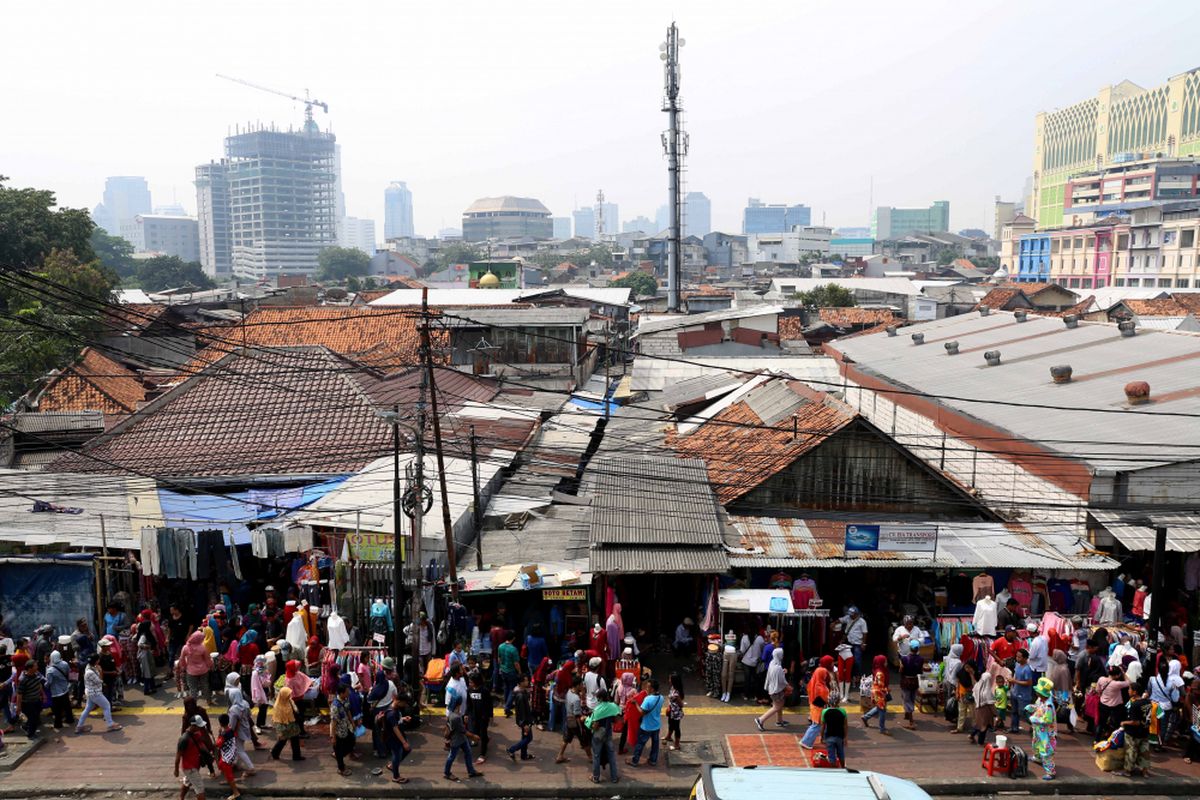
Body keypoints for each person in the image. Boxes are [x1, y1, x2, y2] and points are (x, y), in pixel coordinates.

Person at [445, 687, 483, 781]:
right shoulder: (456, 717)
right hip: (457, 740)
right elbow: (463, 731)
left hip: (461, 739)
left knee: (468, 753)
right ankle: (447, 773)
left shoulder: (452, 713)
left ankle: (471, 771)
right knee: (452, 756)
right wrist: (474, 736)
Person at [585, 687, 620, 784]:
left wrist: (588, 723)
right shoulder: (613, 706)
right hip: (608, 734)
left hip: (598, 736)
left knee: (596, 756)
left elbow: (595, 726)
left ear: (599, 698)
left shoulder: (597, 709)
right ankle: (614, 778)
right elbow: (616, 720)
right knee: (611, 756)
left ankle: (596, 777)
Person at [628, 677, 664, 768]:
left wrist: (636, 703)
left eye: (648, 687)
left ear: (652, 688)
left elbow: (641, 712)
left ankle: (635, 761)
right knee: (655, 744)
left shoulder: (648, 699)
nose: (646, 689)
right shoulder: (661, 697)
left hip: (646, 726)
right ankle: (653, 760)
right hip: (656, 725)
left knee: (640, 744)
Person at [1118, 683, 1153, 777]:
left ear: (1135, 692)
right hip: (1145, 731)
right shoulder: (1148, 702)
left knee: (1131, 751)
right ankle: (1145, 772)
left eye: (1130, 689)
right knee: (1144, 752)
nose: (1128, 691)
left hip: (1133, 733)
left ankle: (1127, 771)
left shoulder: (1135, 705)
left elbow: (1135, 722)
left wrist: (1124, 722)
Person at [801, 655, 834, 748]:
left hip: (814, 705)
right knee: (816, 726)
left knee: (815, 725)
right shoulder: (821, 688)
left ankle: (806, 741)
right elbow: (825, 699)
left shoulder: (813, 682)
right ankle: (806, 742)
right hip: (818, 708)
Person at [1027, 677, 1057, 781]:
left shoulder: (1049, 706)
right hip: (1039, 730)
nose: (1036, 692)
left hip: (1046, 734)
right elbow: (1037, 708)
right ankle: (1037, 758)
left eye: (1038, 691)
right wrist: (1031, 707)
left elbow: (1047, 720)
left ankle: (1051, 772)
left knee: (1046, 752)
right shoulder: (1040, 700)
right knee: (1035, 744)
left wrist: (1034, 718)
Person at [176, 715, 211, 800]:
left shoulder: (196, 733)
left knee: (187, 782)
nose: (201, 727)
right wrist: (176, 769)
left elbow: (201, 744)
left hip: (195, 765)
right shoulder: (184, 739)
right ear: (193, 726)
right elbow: (178, 755)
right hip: (189, 768)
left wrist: (207, 754)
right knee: (200, 788)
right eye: (199, 726)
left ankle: (181, 798)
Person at [753, 649, 788, 732]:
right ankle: (760, 720)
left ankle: (779, 721)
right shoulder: (778, 667)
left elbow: (775, 675)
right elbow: (782, 680)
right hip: (777, 690)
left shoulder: (772, 663)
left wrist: (782, 672)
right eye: (782, 654)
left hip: (772, 689)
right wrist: (787, 685)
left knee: (780, 703)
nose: (782, 656)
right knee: (777, 706)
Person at [557, 674, 588, 764]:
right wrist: (585, 718)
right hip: (575, 722)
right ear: (578, 685)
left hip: (568, 719)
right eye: (581, 684)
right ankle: (591, 757)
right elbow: (577, 714)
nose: (582, 686)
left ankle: (560, 755)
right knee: (584, 740)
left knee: (566, 739)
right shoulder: (576, 699)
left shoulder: (569, 692)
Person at [382, 693, 413, 784]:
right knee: (397, 755)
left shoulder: (396, 709)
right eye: (404, 703)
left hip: (398, 737)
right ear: (399, 702)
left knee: (406, 750)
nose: (405, 705)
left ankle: (392, 765)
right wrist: (404, 742)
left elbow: (397, 720)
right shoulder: (391, 713)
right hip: (393, 739)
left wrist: (403, 719)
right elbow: (395, 729)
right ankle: (396, 776)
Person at [1095, 664, 1130, 741]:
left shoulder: (1101, 679)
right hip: (1115, 706)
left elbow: (1097, 690)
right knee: (1116, 723)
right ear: (1117, 676)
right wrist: (1123, 673)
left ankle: (1096, 740)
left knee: (1101, 723)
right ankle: (1113, 740)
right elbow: (1128, 682)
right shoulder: (1117, 684)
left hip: (1103, 704)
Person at [269, 686, 304, 762]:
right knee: (283, 741)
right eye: (288, 694)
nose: (289, 696)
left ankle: (296, 756)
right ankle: (275, 752)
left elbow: (295, 710)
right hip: (284, 726)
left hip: (292, 725)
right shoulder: (278, 707)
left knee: (294, 740)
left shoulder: (289, 701)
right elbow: (277, 719)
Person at [466, 670, 492, 764]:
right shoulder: (469, 690)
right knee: (474, 731)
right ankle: (483, 739)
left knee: (483, 734)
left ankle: (482, 754)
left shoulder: (484, 691)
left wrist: (490, 716)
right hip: (473, 716)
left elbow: (489, 704)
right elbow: (468, 703)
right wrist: (466, 714)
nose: (469, 683)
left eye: (471, 682)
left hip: (483, 717)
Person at [215, 714, 244, 800]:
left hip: (227, 757)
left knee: (225, 769)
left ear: (220, 723)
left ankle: (236, 793)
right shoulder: (230, 730)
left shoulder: (223, 734)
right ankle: (229, 780)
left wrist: (218, 735)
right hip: (233, 752)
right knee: (221, 766)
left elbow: (217, 744)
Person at [507, 673, 535, 762]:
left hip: (525, 720)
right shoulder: (520, 695)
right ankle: (512, 749)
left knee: (524, 737)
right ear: (521, 682)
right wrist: (524, 724)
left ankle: (524, 755)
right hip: (525, 721)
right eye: (526, 680)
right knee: (528, 738)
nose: (528, 682)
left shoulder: (522, 691)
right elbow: (522, 711)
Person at [329, 683, 355, 777]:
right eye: (347, 692)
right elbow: (333, 722)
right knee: (339, 750)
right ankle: (341, 768)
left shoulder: (346, 699)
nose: (349, 693)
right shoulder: (335, 706)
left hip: (347, 727)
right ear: (341, 693)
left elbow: (348, 711)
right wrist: (333, 737)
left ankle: (338, 754)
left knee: (351, 742)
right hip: (338, 731)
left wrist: (352, 723)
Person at [899, 640, 925, 730]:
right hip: (914, 680)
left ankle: (911, 721)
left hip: (906, 681)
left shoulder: (904, 659)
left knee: (906, 699)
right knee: (912, 698)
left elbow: (901, 670)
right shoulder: (921, 659)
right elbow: (920, 671)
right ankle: (907, 714)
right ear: (918, 649)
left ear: (910, 648)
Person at [861, 654, 890, 735]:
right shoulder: (880, 673)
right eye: (885, 661)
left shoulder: (878, 670)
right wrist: (885, 693)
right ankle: (882, 728)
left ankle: (865, 717)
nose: (886, 663)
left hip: (877, 692)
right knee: (882, 710)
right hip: (880, 693)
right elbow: (881, 686)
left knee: (879, 708)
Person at [46, 651, 74, 730]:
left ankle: (58, 724)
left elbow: (49, 682)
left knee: (57, 709)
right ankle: (70, 719)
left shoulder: (50, 670)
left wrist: (44, 686)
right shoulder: (65, 663)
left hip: (55, 692)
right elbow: (68, 672)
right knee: (67, 706)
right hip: (65, 688)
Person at [17, 661, 45, 738]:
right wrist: (18, 707)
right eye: (35, 666)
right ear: (30, 668)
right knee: (33, 718)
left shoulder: (36, 675)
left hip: (37, 701)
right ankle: (31, 734)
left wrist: (43, 695)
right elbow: (19, 694)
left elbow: (39, 685)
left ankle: (26, 727)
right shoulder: (23, 680)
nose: (37, 667)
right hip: (28, 703)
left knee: (36, 717)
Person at [970, 663, 997, 745]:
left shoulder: (978, 685)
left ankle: (972, 735)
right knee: (984, 726)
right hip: (986, 710)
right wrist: (996, 714)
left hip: (978, 708)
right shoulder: (987, 691)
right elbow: (991, 704)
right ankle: (980, 742)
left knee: (979, 723)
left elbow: (974, 692)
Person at [181, 631, 212, 700]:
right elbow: (208, 659)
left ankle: (193, 703)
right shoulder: (203, 647)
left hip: (191, 671)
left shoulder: (185, 647)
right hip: (203, 670)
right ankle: (208, 700)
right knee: (205, 685)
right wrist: (210, 666)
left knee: (193, 688)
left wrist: (185, 667)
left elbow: (182, 659)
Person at [616, 672, 642, 755]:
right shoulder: (633, 690)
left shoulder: (618, 687)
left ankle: (621, 747)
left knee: (624, 730)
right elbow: (637, 701)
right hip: (629, 713)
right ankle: (634, 748)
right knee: (631, 729)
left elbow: (616, 701)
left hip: (620, 711)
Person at [496, 631, 521, 717]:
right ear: (513, 638)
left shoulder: (500, 646)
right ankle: (507, 707)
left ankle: (506, 703)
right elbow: (516, 664)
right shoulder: (513, 649)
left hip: (503, 671)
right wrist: (520, 672)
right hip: (511, 672)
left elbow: (499, 659)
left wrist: (501, 667)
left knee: (506, 687)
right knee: (512, 690)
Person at [820, 694, 848, 768]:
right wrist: (845, 737)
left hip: (829, 737)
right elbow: (845, 725)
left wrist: (821, 737)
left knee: (831, 756)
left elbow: (823, 726)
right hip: (840, 736)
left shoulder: (824, 712)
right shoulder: (843, 711)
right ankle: (843, 768)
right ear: (838, 701)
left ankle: (834, 770)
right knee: (841, 753)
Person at [840, 607, 868, 680]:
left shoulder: (862, 621)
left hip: (857, 644)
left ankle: (858, 675)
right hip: (849, 643)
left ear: (856, 614)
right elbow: (841, 620)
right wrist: (834, 623)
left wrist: (863, 644)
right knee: (848, 659)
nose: (850, 616)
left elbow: (865, 633)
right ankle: (850, 674)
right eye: (850, 614)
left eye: (852, 614)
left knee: (857, 660)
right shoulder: (848, 618)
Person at [1009, 648, 1033, 734]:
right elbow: (1016, 677)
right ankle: (1014, 728)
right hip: (1015, 692)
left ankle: (1034, 725)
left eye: (1019, 657)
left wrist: (1015, 681)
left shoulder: (1027, 669)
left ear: (1025, 658)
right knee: (1014, 712)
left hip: (1024, 695)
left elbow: (1029, 682)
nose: (1017, 658)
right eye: (1017, 656)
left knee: (1024, 713)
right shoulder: (1018, 666)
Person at [739, 628, 764, 701]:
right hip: (755, 662)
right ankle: (755, 696)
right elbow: (763, 649)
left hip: (746, 662)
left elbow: (742, 650)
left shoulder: (744, 637)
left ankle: (746, 695)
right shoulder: (760, 638)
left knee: (747, 679)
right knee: (756, 679)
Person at [953, 661, 977, 735]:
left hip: (972, 697)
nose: (967, 669)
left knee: (973, 713)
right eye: (966, 667)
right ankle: (959, 728)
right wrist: (957, 693)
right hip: (962, 695)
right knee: (961, 712)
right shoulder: (961, 673)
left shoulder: (977, 674)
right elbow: (958, 683)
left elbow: (975, 685)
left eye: (969, 667)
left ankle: (975, 729)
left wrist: (972, 675)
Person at [250, 656, 273, 732]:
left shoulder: (264, 670)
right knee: (261, 709)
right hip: (260, 693)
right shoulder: (255, 673)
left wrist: (269, 689)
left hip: (265, 691)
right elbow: (255, 686)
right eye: (263, 662)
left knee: (265, 708)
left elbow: (267, 680)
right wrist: (258, 698)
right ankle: (258, 725)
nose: (264, 663)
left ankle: (262, 724)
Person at [666, 672, 685, 751]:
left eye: (670, 679)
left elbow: (681, 704)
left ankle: (677, 744)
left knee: (676, 728)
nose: (669, 680)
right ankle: (668, 736)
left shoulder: (676, 693)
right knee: (670, 724)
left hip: (676, 713)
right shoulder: (673, 688)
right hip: (671, 711)